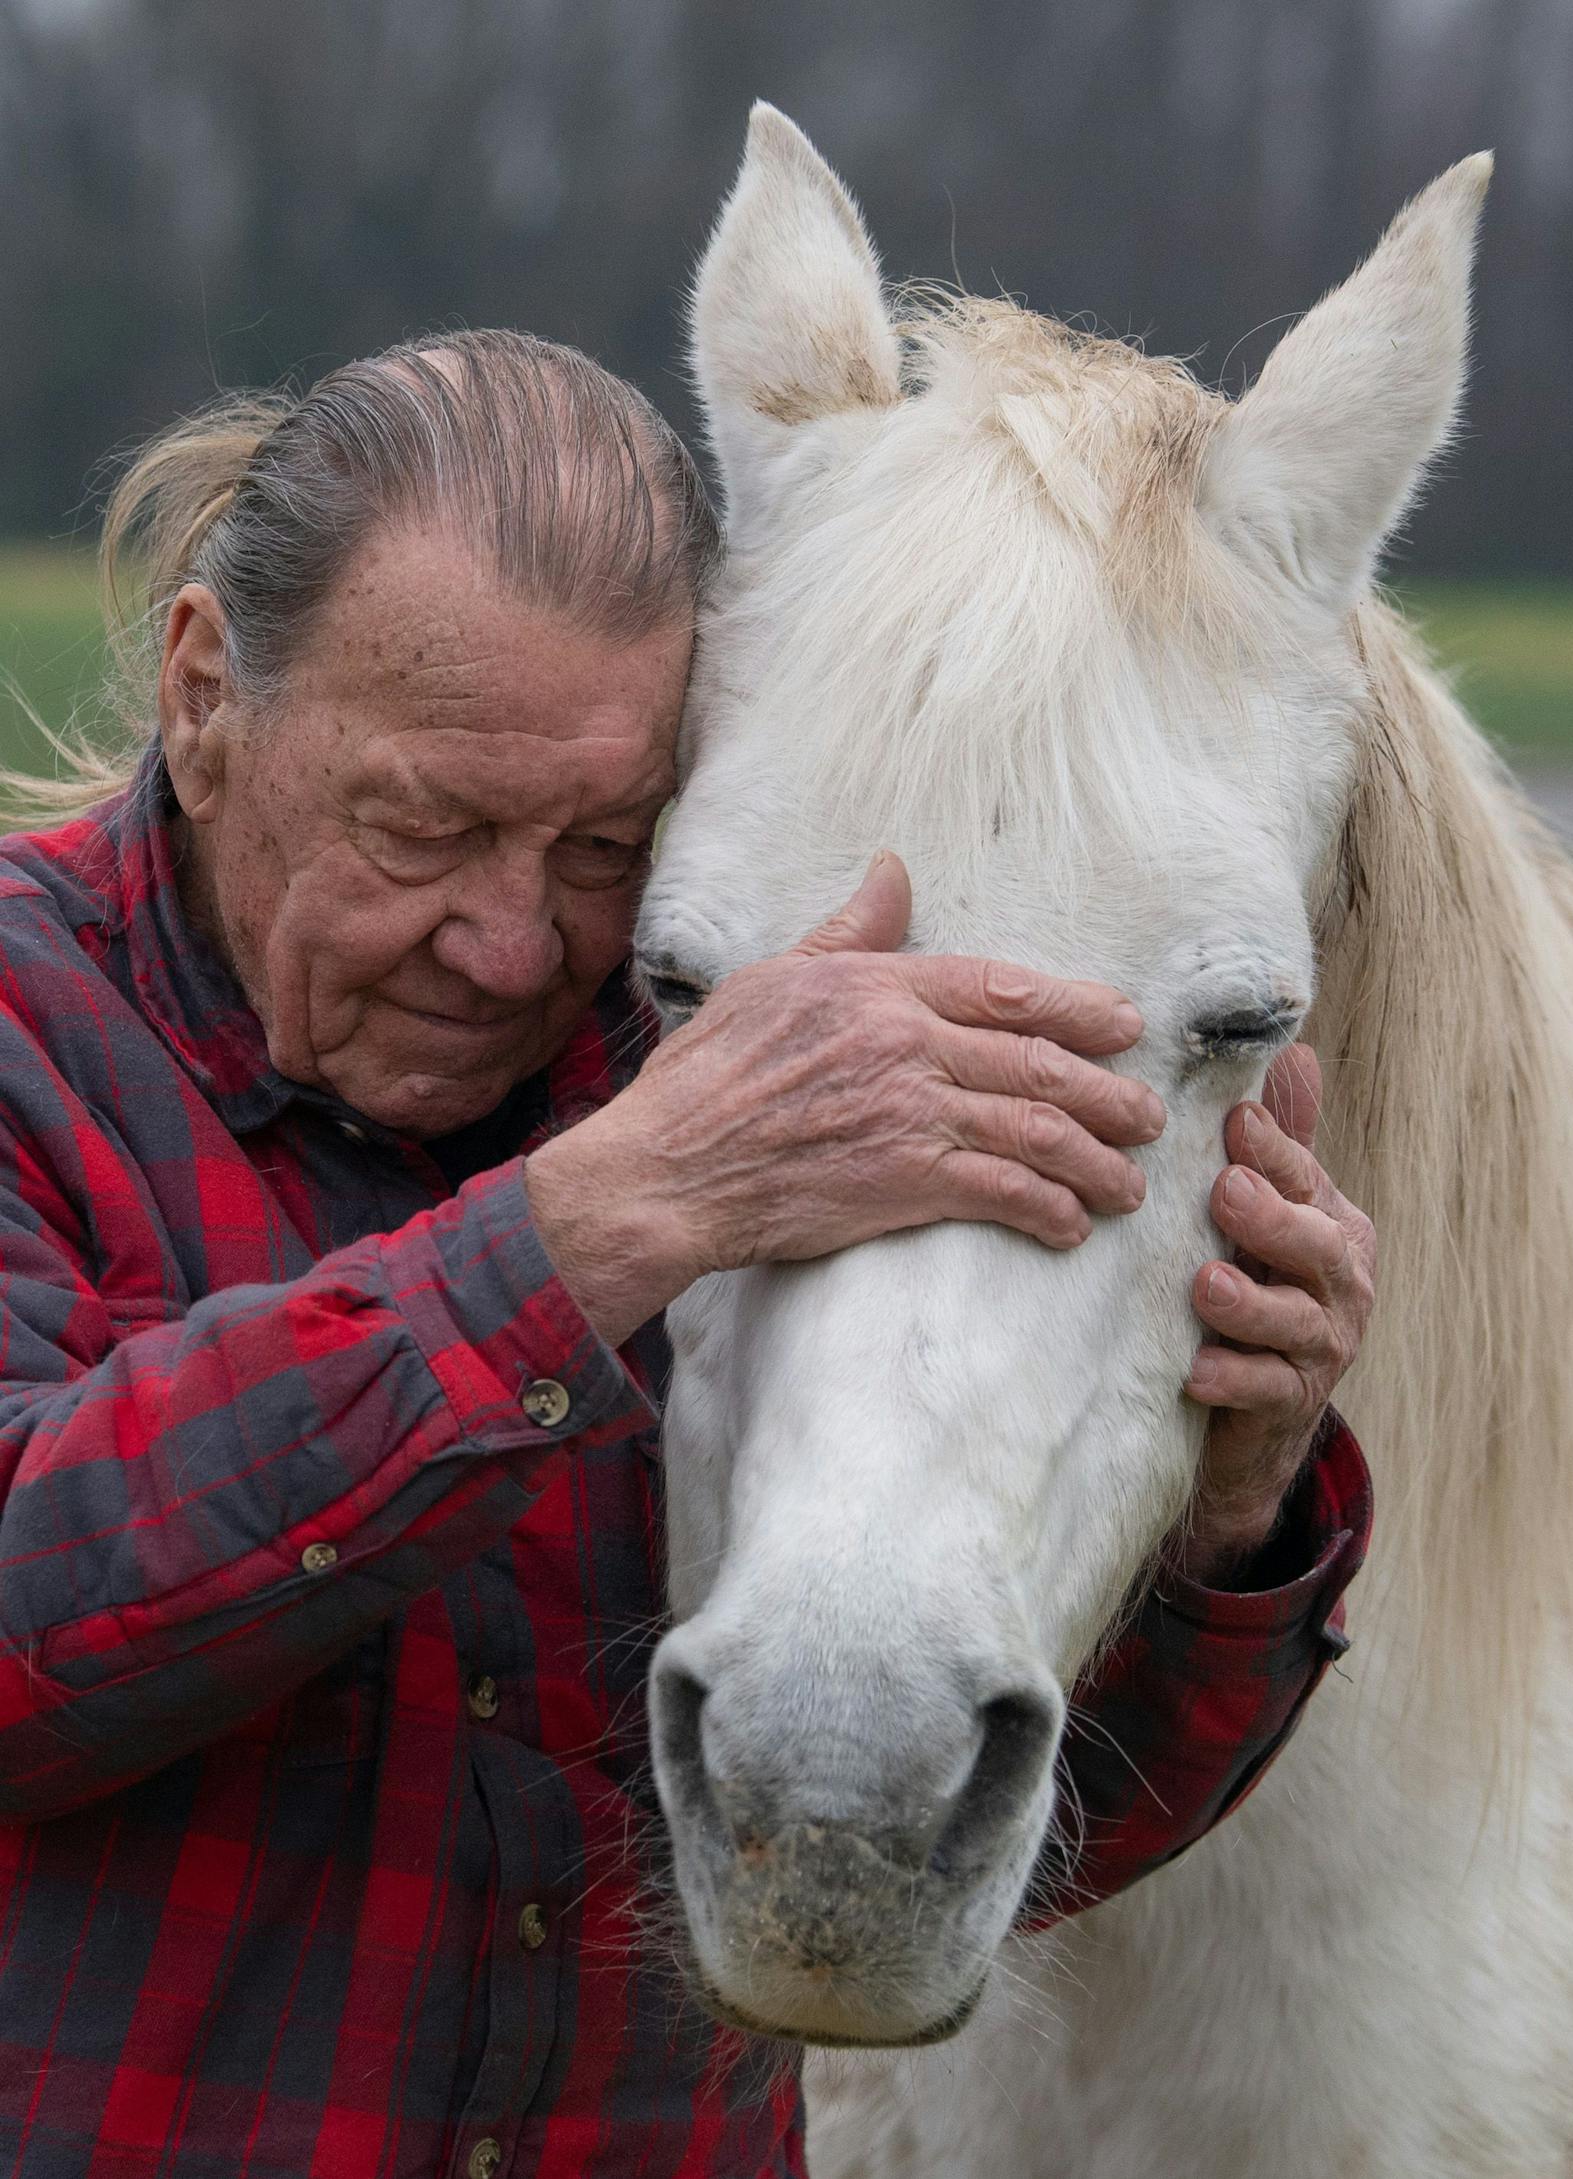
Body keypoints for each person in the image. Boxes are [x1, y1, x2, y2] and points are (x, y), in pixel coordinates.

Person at [0, 331, 1373, 2179]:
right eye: (427, 824)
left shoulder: (693, 1060)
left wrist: (1233, 1504)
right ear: (203, 694)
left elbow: (989, 1843)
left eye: (601, 848)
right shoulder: (46, 1035)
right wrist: (592, 1225)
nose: (508, 943)